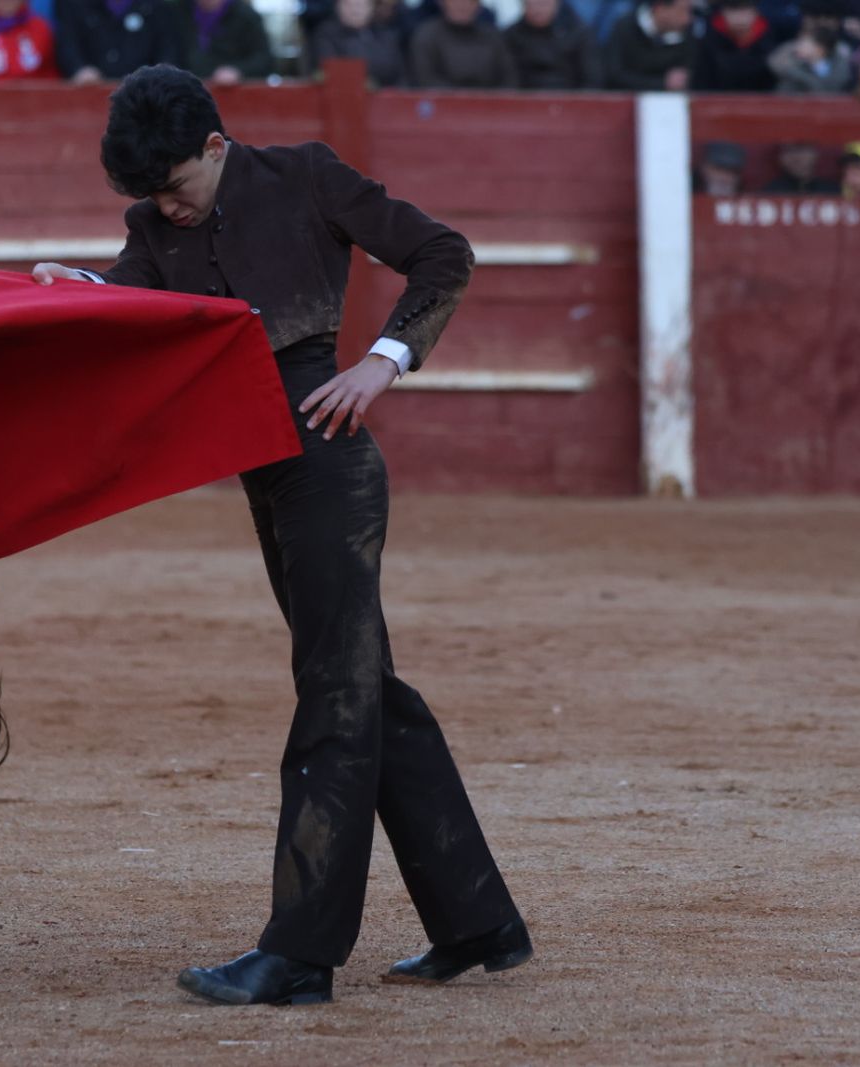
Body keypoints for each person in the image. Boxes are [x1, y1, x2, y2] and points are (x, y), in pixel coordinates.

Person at [31, 64, 530, 1007]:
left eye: (177, 186)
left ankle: (301, 953)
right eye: (151, 197)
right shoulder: (153, 225)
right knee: (369, 690)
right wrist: (79, 286)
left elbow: (443, 253)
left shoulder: (306, 176)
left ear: (216, 146)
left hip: (331, 467)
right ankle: (479, 921)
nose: (168, 209)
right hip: (267, 470)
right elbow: (136, 305)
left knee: (335, 697)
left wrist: (382, 363)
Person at [53, 0, 186, 84]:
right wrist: (79, 70)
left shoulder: (157, 7)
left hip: (144, 99)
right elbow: (67, 45)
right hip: (88, 94)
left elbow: (169, 51)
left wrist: (158, 76)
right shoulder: (73, 4)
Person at [410, 0, 520, 88]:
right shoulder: (427, 35)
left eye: (470, 1)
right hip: (443, 105)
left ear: (479, 5)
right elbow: (425, 79)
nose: (462, 5)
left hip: (490, 105)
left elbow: (509, 78)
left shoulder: (493, 38)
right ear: (442, 2)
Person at [502, 0, 603, 89]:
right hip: (523, 99)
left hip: (570, 98)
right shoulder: (510, 36)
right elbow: (507, 79)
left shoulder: (579, 33)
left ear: (556, 3)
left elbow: (592, 78)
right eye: (533, 3)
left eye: (544, 3)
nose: (539, 9)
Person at [307, 0, 408, 86]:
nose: (354, 10)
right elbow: (333, 70)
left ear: (371, 8)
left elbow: (399, 74)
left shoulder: (385, 35)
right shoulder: (326, 34)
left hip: (387, 97)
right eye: (348, 4)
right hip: (345, 95)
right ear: (337, 6)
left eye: (360, 4)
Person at [602, 0, 696, 90]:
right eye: (682, 11)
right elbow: (614, 75)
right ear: (660, 8)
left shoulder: (687, 35)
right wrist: (661, 83)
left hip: (667, 100)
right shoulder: (625, 28)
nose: (688, 19)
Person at [767, 0, 857, 93]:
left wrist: (815, 63)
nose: (821, 22)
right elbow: (776, 63)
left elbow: (838, 82)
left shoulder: (840, 53)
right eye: (814, 18)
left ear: (820, 48)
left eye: (827, 18)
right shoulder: (791, 50)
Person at [180, 0, 274, 84]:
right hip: (188, 87)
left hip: (234, 90)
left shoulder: (246, 16)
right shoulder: (180, 12)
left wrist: (238, 71)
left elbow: (264, 60)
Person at [692, 0, 779, 91]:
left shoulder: (768, 38)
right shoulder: (710, 39)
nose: (739, 18)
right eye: (733, 10)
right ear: (723, 13)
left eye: (744, 10)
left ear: (755, 12)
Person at [763, 141, 836, 193]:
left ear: (815, 153)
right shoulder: (769, 192)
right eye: (788, 150)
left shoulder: (832, 191)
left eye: (801, 149)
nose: (795, 157)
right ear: (780, 158)